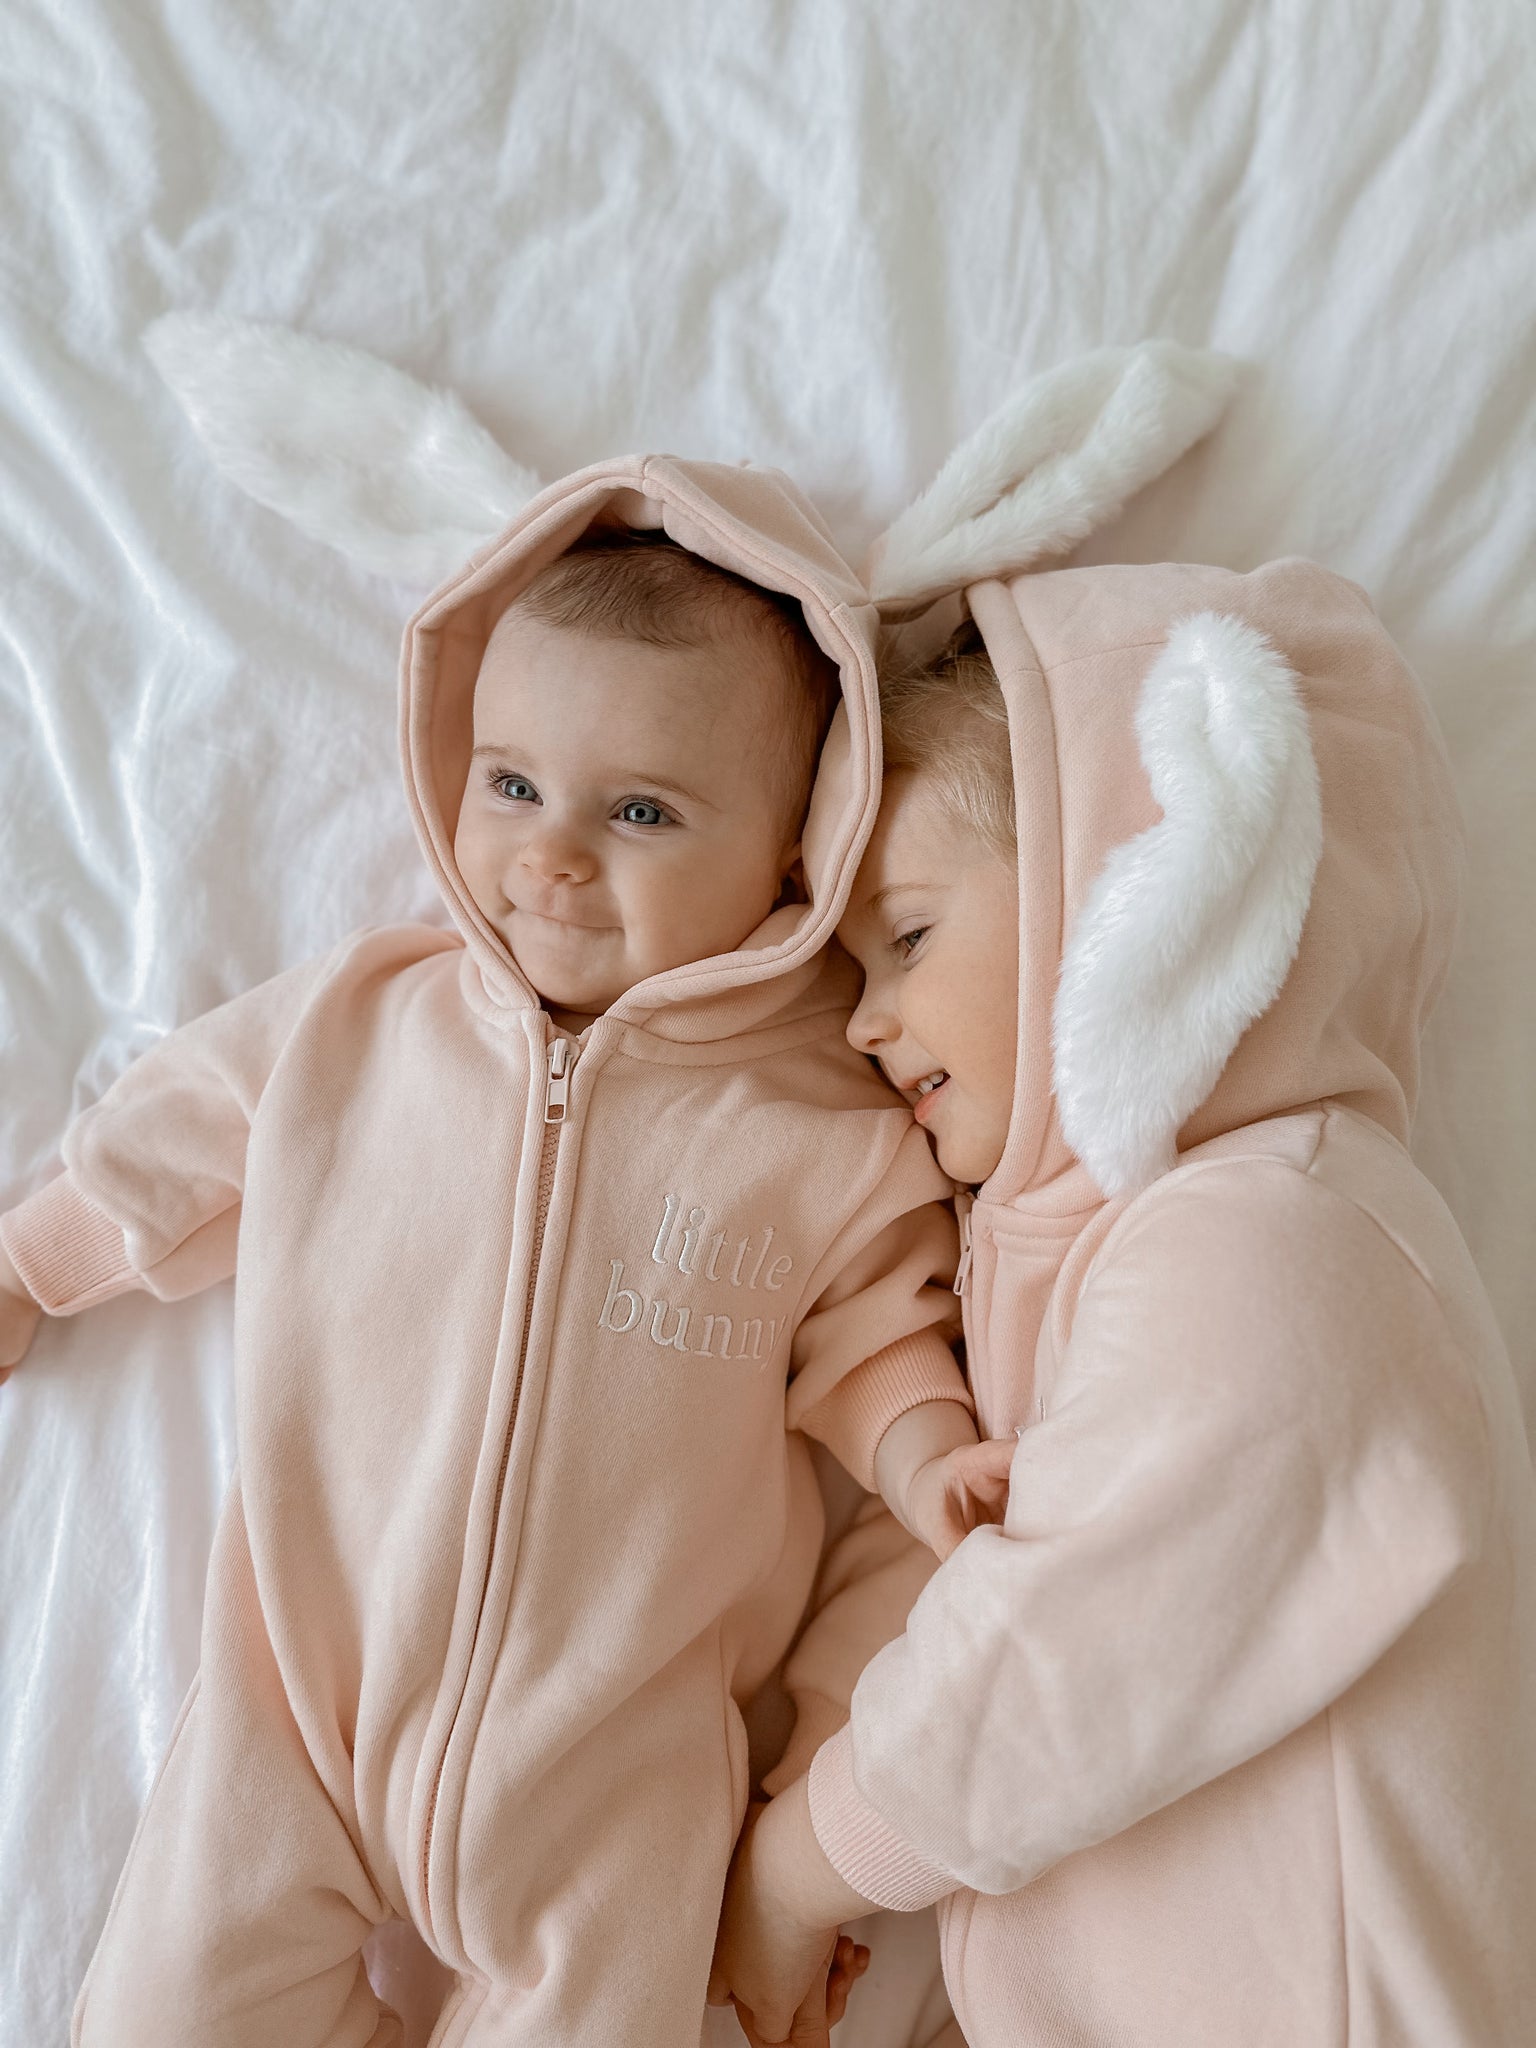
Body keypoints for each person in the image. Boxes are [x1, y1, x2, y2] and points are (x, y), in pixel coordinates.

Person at [0, 457, 1012, 2048]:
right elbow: (190, 1126)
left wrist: (928, 1455)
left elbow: (878, 1340)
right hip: (300, 1709)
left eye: (641, 812)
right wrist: (31, 1263)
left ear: (793, 852)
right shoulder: (370, 1020)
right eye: (513, 784)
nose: (551, 856)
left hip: (614, 1767)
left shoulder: (823, 1123)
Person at [710, 558, 1536, 2045]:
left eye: (907, 937)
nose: (864, 1022)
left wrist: (796, 1869)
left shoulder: (1281, 1232)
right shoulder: (1121, 1267)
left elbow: (1064, 1659)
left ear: (1143, 899)